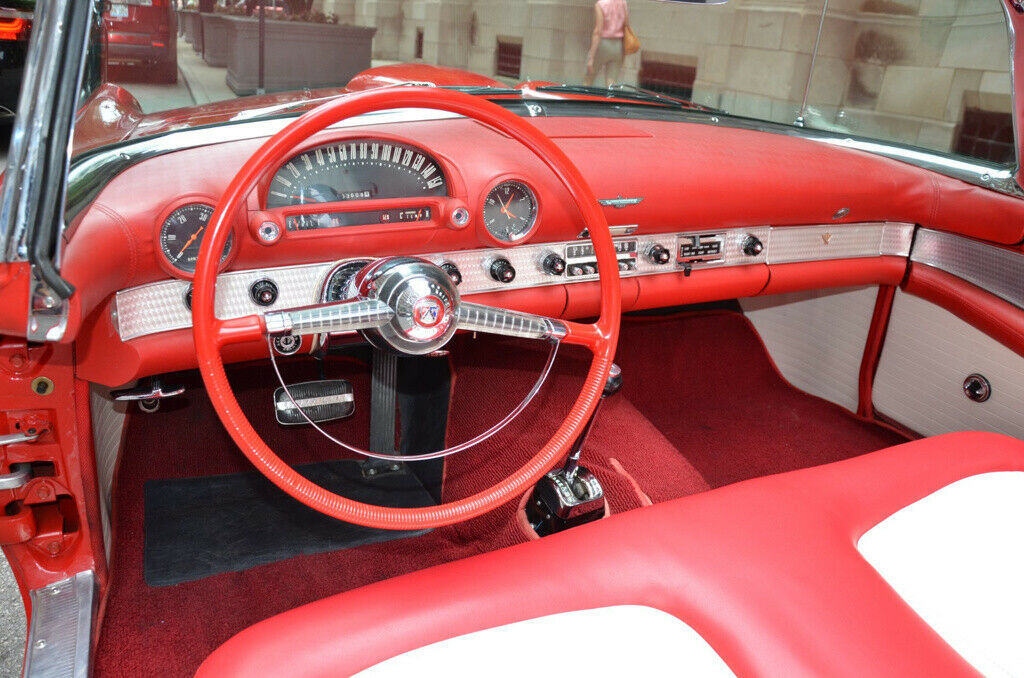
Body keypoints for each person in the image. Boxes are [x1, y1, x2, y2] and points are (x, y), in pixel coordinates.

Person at [585, 0, 630, 87]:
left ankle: (584, 100)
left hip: (603, 44)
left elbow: (598, 31)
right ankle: (610, 100)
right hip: (618, 46)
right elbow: (627, 24)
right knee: (611, 84)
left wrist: (591, 56)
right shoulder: (623, 2)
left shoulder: (601, 4)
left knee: (589, 79)